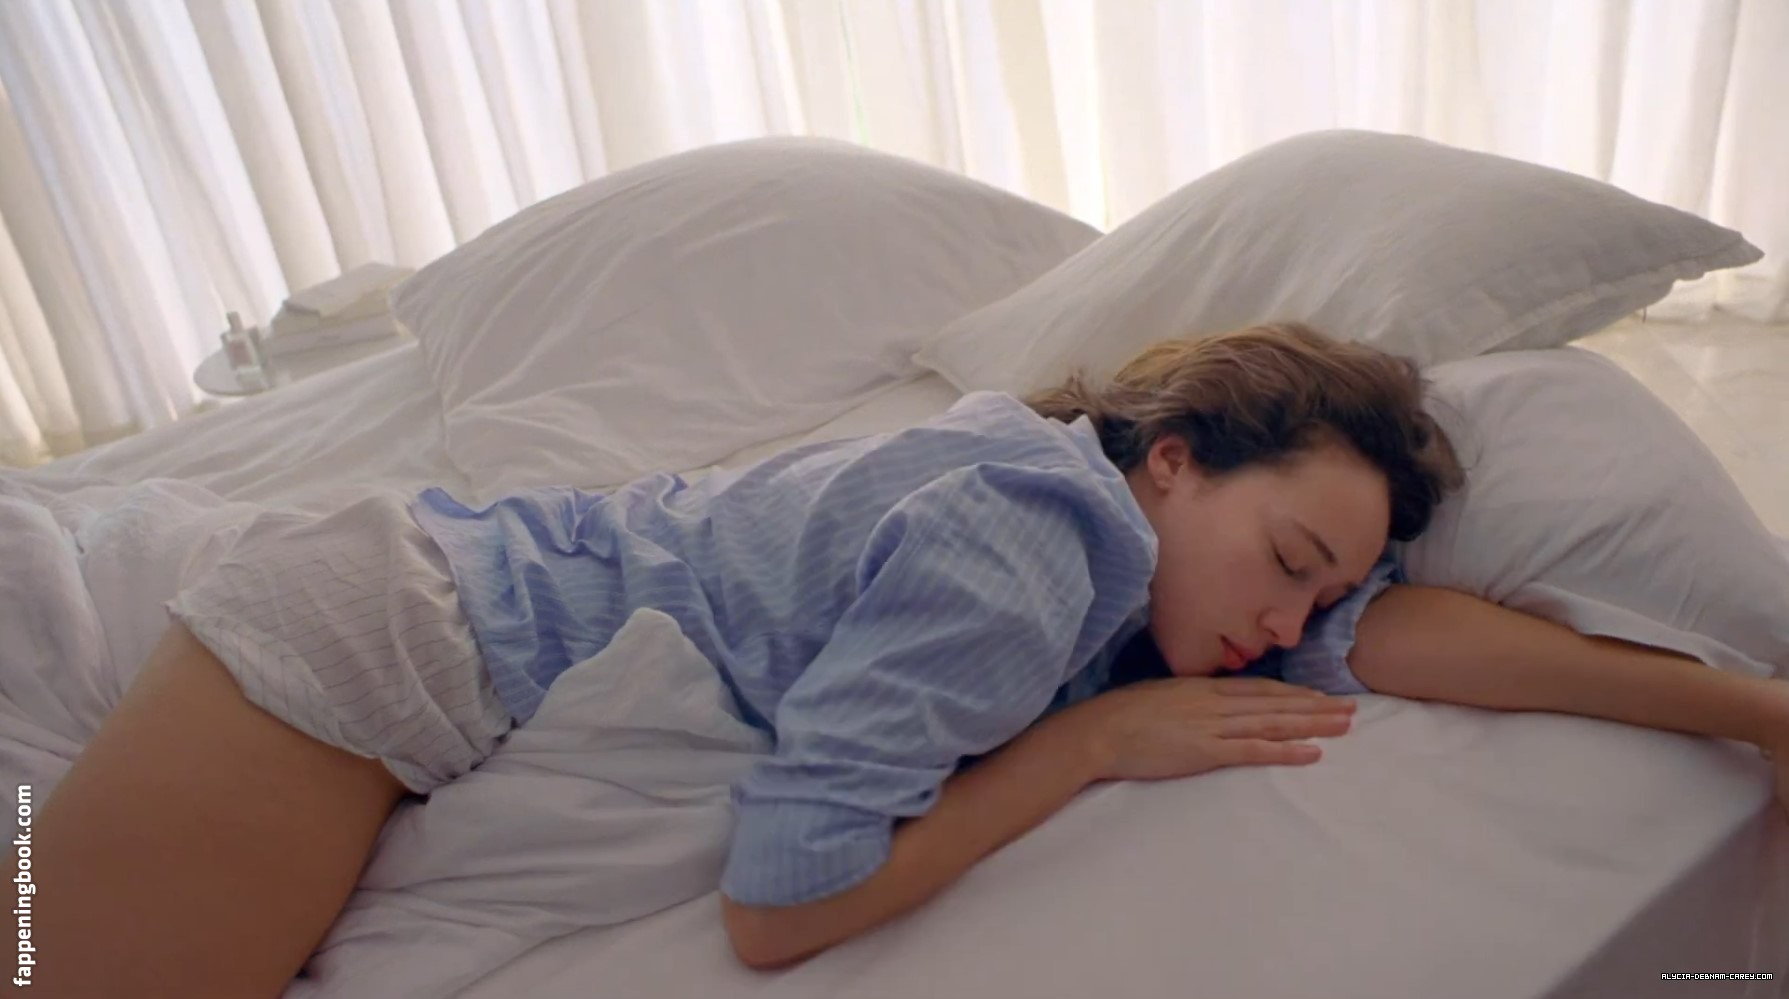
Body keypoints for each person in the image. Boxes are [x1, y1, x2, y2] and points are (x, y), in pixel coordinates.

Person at [32, 324, 1788, 995]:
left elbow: (1396, 636)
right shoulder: (1028, 548)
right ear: (1172, 461)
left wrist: (1751, 711)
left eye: (1314, 593)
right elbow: (776, 909)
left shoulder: (1139, 550)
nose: (1289, 629)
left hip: (445, 598)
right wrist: (1078, 752)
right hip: (388, 640)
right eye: (1286, 565)